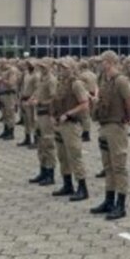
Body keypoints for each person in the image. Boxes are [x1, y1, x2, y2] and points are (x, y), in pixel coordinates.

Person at [91, 51, 130, 220]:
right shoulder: (105, 80)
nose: (100, 64)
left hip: (116, 126)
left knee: (118, 166)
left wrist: (129, 117)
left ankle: (121, 204)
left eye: (102, 61)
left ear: (110, 62)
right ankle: (109, 200)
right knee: (108, 166)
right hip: (104, 125)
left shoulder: (121, 80)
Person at [51, 60, 91, 202]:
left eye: (65, 67)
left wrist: (68, 114)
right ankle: (67, 184)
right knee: (62, 156)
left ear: (72, 68)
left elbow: (85, 103)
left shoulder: (76, 84)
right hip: (60, 123)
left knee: (75, 156)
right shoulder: (61, 83)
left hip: (71, 124)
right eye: (60, 67)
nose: (61, 69)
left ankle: (82, 187)